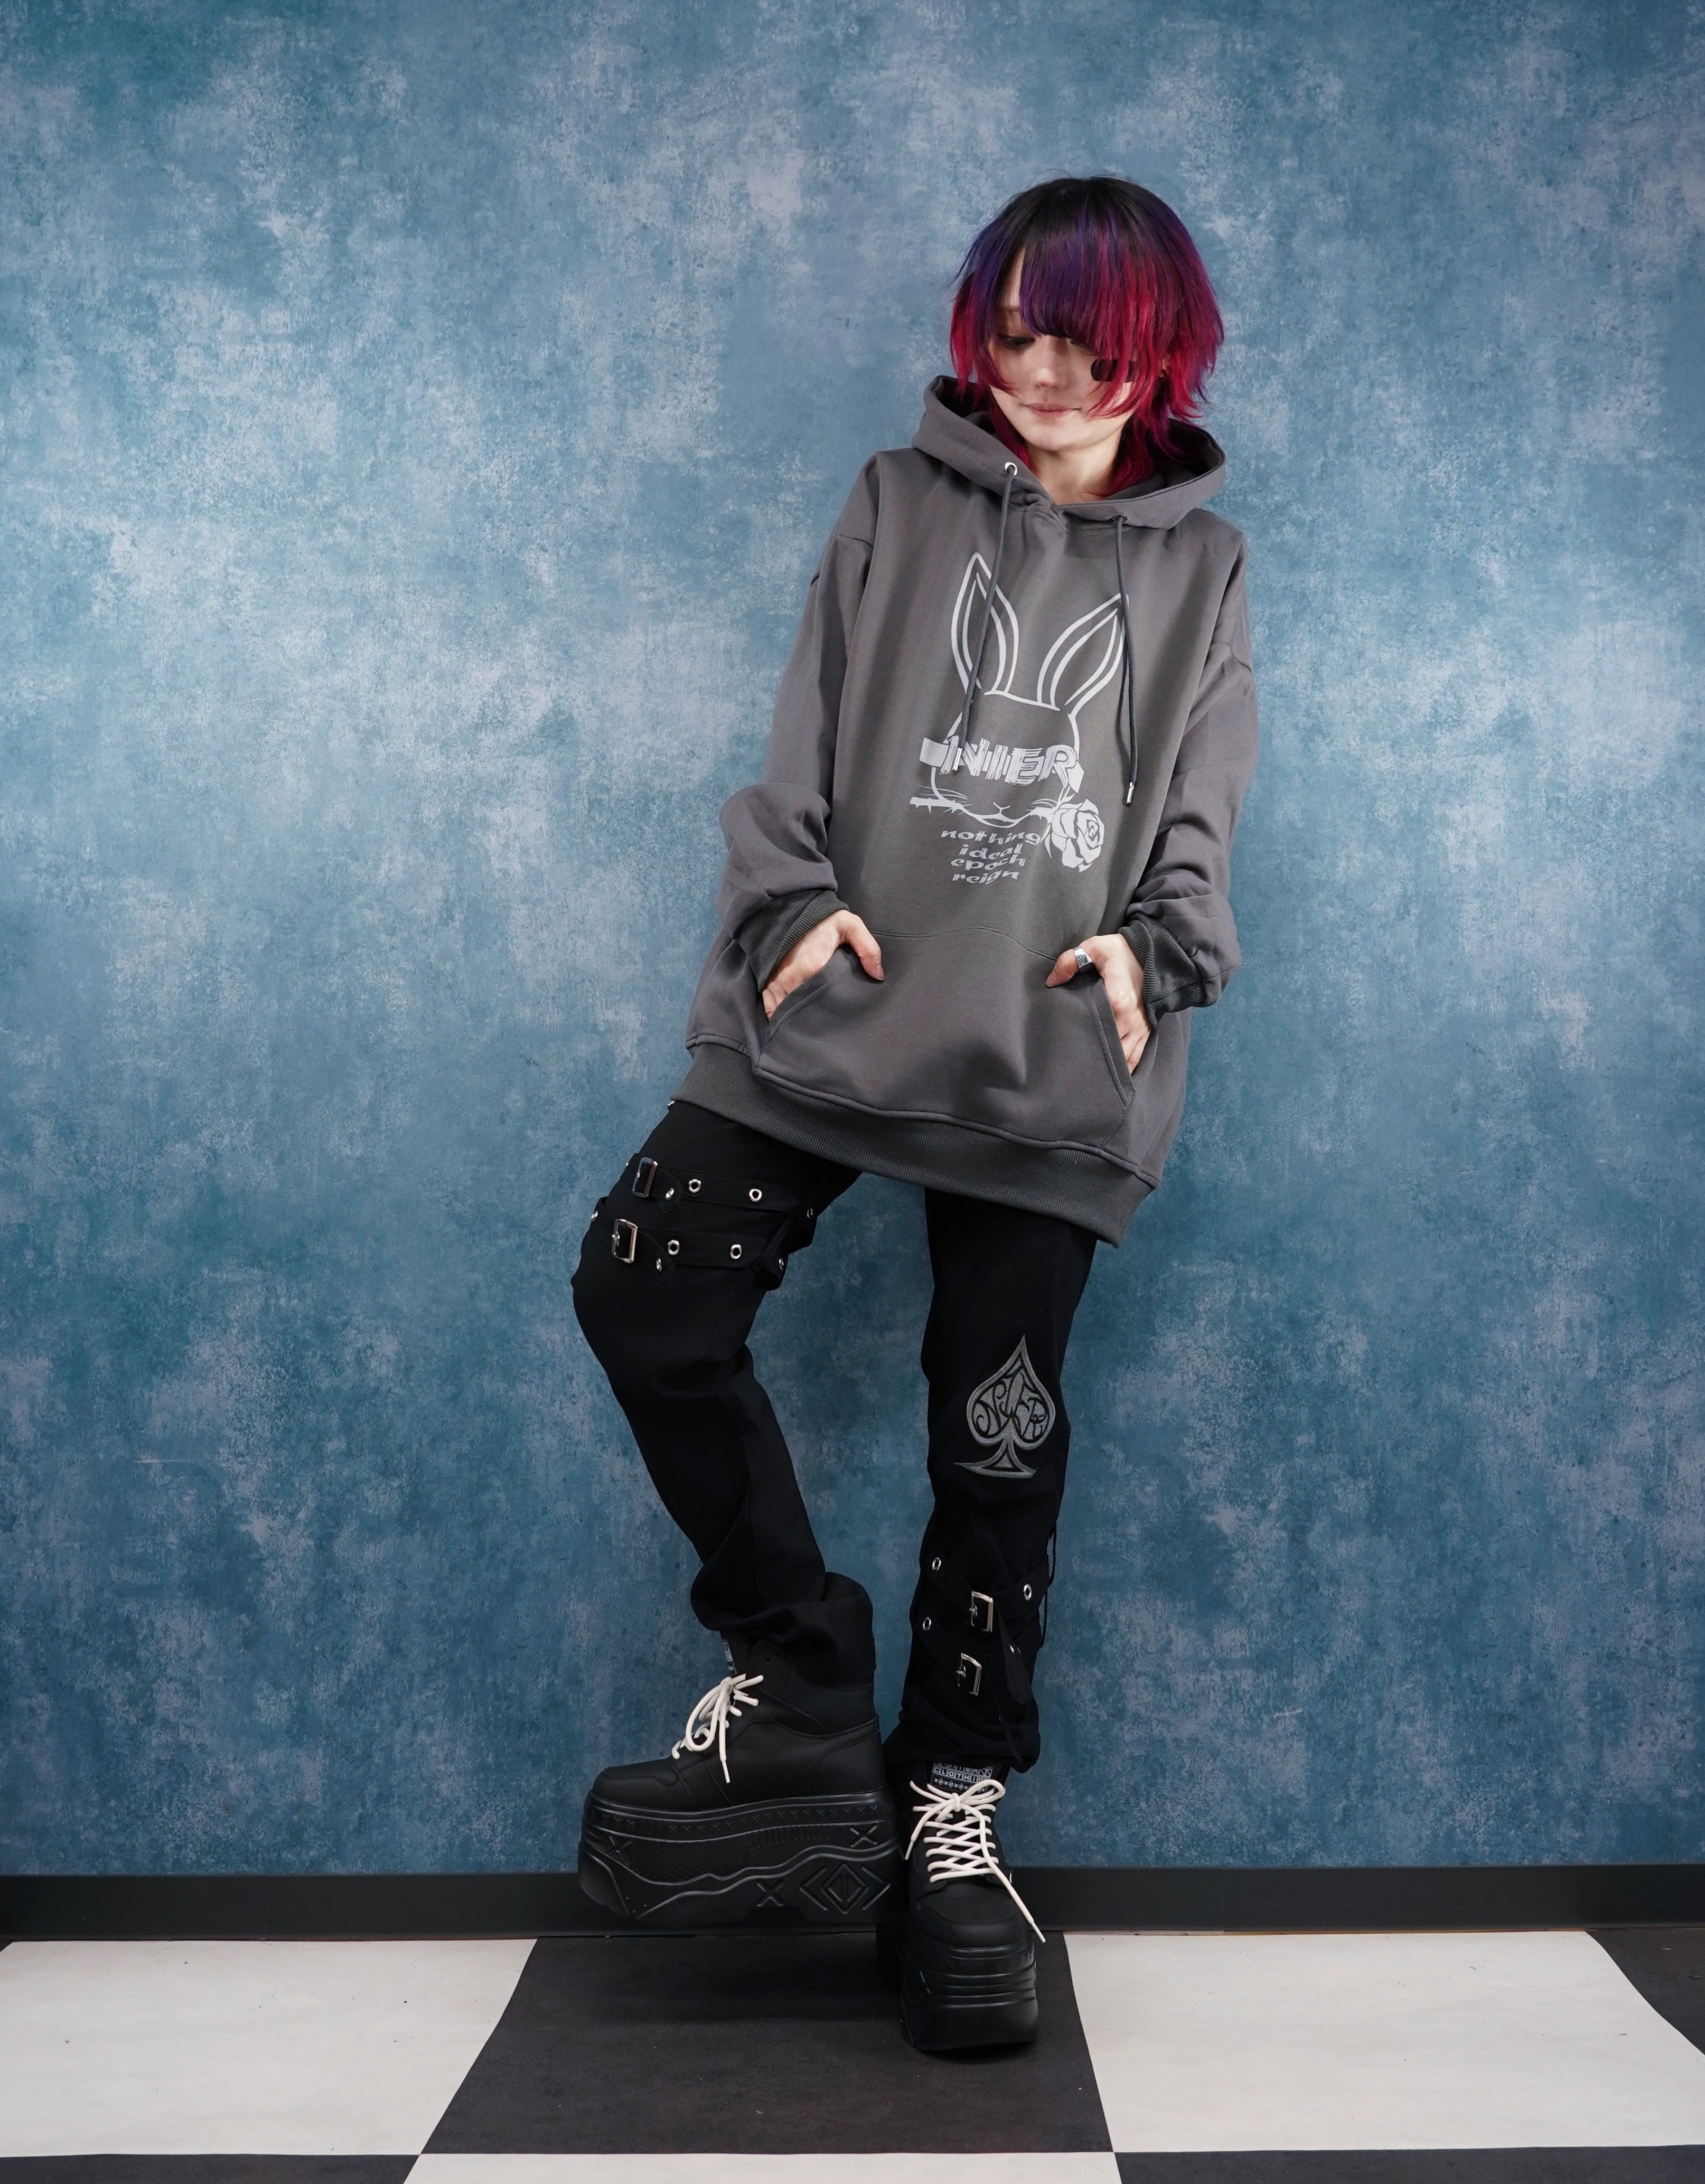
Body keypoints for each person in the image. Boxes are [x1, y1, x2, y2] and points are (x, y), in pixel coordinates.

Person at [569, 173, 1259, 2054]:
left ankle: (948, 1822)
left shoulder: (1203, 568)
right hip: (839, 1001)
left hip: (1052, 1053)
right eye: (1015, 332)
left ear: (1158, 352)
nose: (1043, 373)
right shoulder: (896, 501)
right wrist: (789, 901)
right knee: (644, 1288)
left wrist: (1159, 954)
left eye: (1086, 343)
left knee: (998, 1441)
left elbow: (1201, 819)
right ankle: (800, 1672)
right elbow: (801, 740)